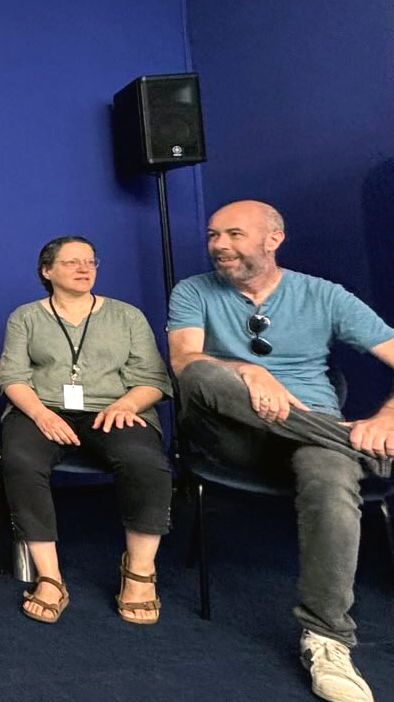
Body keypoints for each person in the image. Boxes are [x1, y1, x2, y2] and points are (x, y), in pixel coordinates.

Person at [168, 200, 394, 702]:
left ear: (273, 239)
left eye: (233, 234)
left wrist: (386, 418)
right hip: (232, 434)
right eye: (212, 236)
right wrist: (249, 370)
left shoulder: (323, 296)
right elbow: (184, 361)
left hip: (310, 436)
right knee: (204, 373)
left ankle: (327, 637)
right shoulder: (193, 291)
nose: (219, 246)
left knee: (333, 480)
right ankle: (351, 443)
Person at [0, 235, 171, 625]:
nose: (84, 269)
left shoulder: (127, 316)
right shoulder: (25, 316)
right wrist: (41, 415)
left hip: (114, 409)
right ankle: (50, 577)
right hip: (41, 409)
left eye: (90, 262)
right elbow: (12, 377)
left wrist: (126, 404)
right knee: (20, 460)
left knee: (144, 461)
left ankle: (139, 573)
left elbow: (153, 380)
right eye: (72, 262)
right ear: (47, 271)